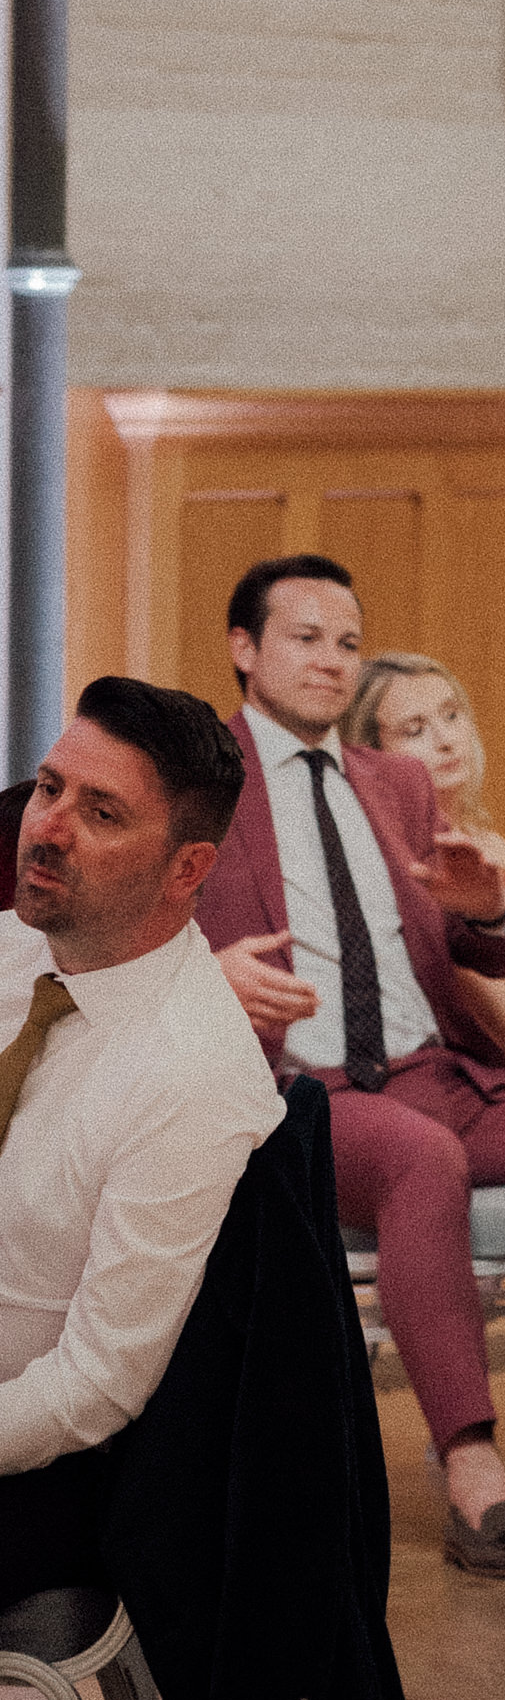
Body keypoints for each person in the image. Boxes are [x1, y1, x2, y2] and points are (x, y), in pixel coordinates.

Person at [199, 555, 505, 1582]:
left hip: (443, 1071)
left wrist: (489, 910)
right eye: (305, 638)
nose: (331, 661)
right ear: (244, 649)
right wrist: (204, 977)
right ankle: (474, 1473)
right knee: (421, 1159)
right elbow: (113, 938)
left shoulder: (398, 783)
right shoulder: (198, 783)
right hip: (304, 1097)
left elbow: (494, 957)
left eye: (347, 642)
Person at [0, 684, 278, 1598]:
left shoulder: (191, 1075)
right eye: (50, 788)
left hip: (41, 1475)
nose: (47, 828)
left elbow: (95, 1387)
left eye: (102, 813)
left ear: (186, 868)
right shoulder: (15, 950)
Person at [344, 654, 505, 1048]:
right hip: (493, 1069)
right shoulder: (409, 868)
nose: (446, 740)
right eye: (415, 730)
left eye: (452, 715)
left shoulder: (487, 841)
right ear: (371, 756)